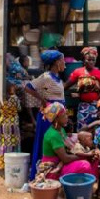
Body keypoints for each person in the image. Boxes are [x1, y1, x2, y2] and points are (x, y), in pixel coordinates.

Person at [25, 50, 66, 180]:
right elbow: (28, 87)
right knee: (45, 144)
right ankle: (39, 175)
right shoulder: (46, 77)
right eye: (62, 60)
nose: (64, 63)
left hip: (58, 114)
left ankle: (52, 175)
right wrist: (42, 100)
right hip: (49, 115)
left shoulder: (57, 78)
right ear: (56, 62)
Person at [34, 102, 97, 182]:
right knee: (85, 164)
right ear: (56, 119)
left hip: (60, 164)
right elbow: (65, 159)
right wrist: (86, 156)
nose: (67, 117)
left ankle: (89, 184)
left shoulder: (61, 129)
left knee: (94, 158)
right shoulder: (53, 135)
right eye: (64, 115)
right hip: (53, 170)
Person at [64, 47, 100, 131]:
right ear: (84, 60)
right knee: (82, 131)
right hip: (83, 107)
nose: (91, 62)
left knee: (96, 131)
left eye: (93, 60)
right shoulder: (78, 72)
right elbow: (66, 85)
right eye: (89, 60)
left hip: (96, 107)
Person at [0, 83, 21, 170]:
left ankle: (2, 163)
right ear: (10, 89)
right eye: (13, 87)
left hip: (3, 122)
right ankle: (13, 162)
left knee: (3, 142)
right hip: (12, 123)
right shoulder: (15, 98)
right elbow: (19, 108)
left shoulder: (0, 98)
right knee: (13, 142)